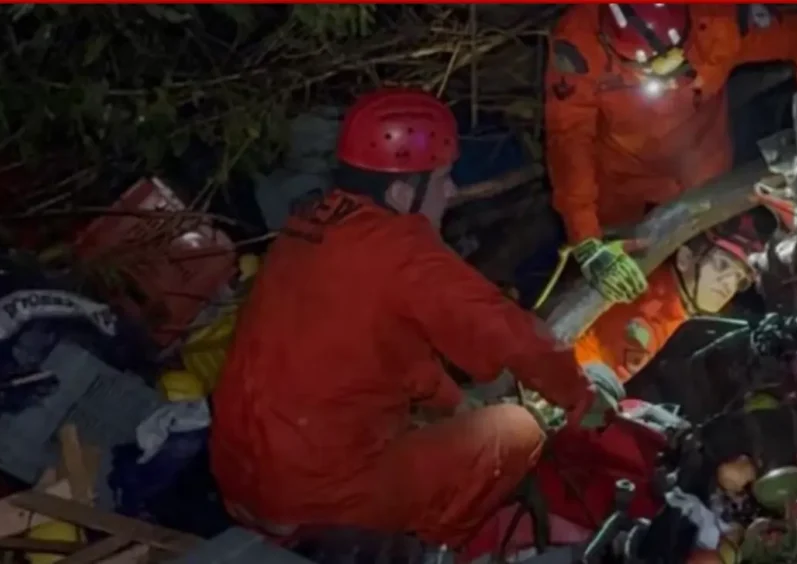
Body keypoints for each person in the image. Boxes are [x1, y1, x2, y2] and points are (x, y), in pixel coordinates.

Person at [210, 88, 617, 549]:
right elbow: (507, 331)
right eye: (441, 179)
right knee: (517, 430)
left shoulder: (306, 228)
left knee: (436, 417)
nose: (451, 191)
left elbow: (388, 352)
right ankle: (441, 548)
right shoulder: (402, 249)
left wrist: (453, 403)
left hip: (241, 484)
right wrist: (575, 392)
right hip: (320, 503)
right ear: (402, 193)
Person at [546, 4, 797, 305]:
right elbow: (569, 138)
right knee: (609, 273)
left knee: (710, 264)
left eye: (677, 62)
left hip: (703, 166)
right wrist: (586, 238)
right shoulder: (579, 51)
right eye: (652, 70)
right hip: (620, 176)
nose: (669, 80)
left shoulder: (718, 21)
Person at [574, 207, 786, 384]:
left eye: (738, 277)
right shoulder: (644, 300)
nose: (728, 283)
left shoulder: (679, 312)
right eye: (721, 265)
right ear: (685, 258)